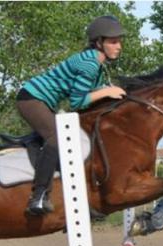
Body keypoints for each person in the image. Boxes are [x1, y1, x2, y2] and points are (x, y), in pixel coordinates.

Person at [17, 15, 127, 215]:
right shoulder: (90, 65)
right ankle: (38, 197)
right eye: (113, 41)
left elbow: (90, 92)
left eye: (119, 41)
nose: (119, 46)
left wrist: (107, 89)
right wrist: (106, 92)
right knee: (57, 139)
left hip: (43, 101)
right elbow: (77, 102)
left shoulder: (97, 64)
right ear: (99, 43)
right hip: (31, 99)